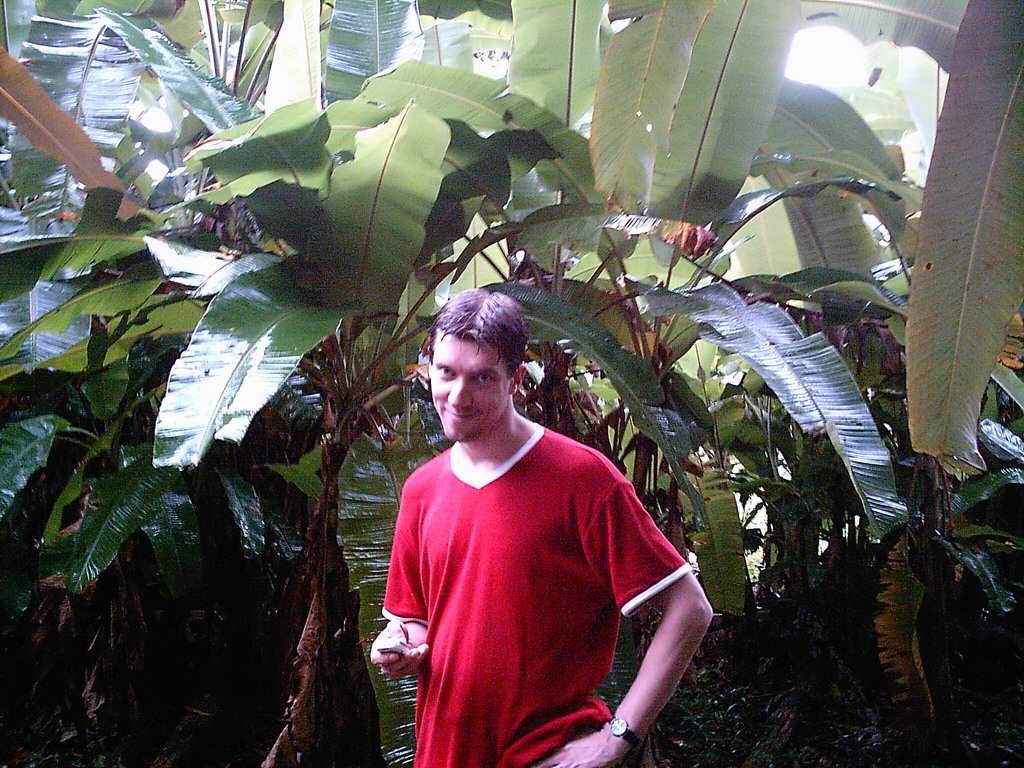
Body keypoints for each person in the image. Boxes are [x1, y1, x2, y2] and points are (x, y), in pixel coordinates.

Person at [370, 288, 713, 768]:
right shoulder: (422, 489)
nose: (458, 395)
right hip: (445, 752)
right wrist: (397, 644)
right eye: (446, 373)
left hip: (545, 752)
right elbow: (416, 620)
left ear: (515, 380)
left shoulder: (583, 478)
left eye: (482, 377)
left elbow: (689, 608)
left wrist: (618, 737)